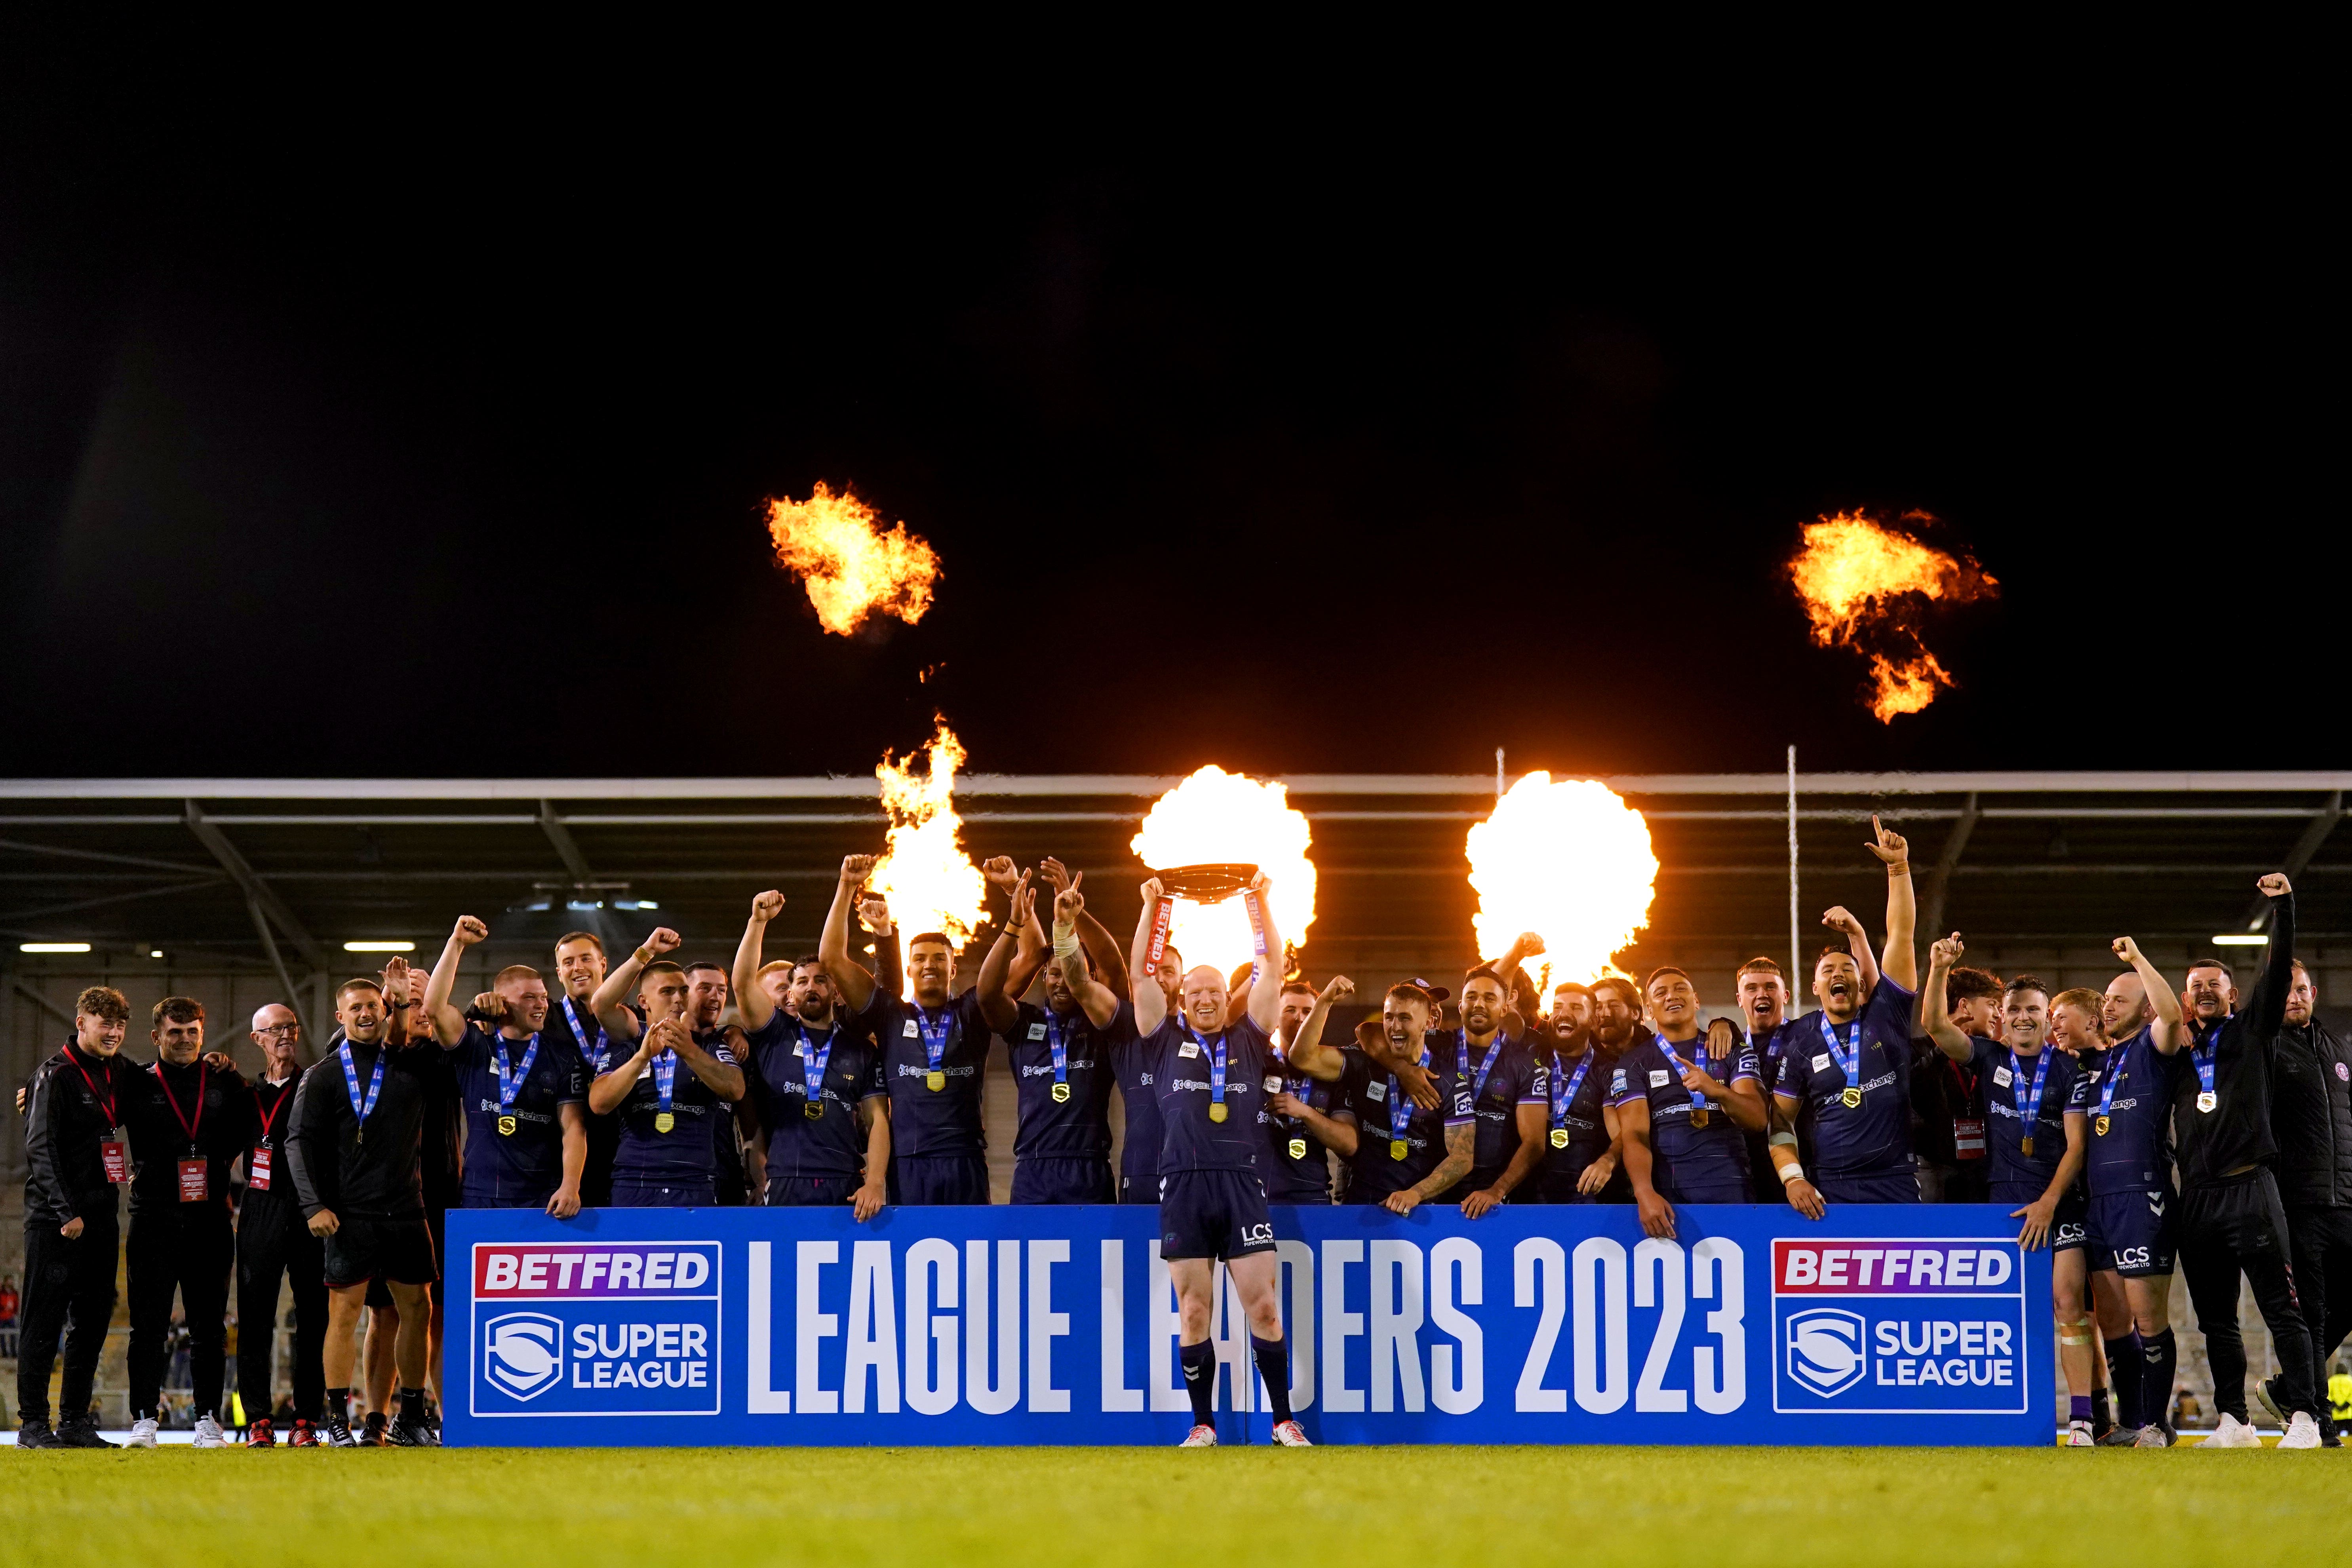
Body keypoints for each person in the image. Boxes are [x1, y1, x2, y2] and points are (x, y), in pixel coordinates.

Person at [1125, 873, 1317, 1446]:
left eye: (1214, 992)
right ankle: (1203, 1425)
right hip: (1182, 1185)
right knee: (1194, 1313)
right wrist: (1155, 910)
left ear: (1223, 998)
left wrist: (1257, 904)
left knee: (1264, 1308)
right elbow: (1140, 974)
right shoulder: (1160, 1039)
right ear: (1182, 999)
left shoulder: (1250, 1038)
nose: (1206, 999)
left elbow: (1274, 968)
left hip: (1241, 1184)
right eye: (1196, 993)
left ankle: (1282, 1420)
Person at [2172, 876, 2323, 1448]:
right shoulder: (2179, 1050)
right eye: (2196, 987)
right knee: (2216, 1321)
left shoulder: (2253, 1031)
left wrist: (2283, 906)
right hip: (2200, 1199)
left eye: (2215, 985)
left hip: (2251, 1190)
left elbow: (2279, 967)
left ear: (2233, 996)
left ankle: (2305, 1418)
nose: (2205, 992)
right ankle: (2233, 1421)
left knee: (2284, 1311)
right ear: (2187, 998)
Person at [1922, 945, 2094, 1441]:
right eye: (2015, 1009)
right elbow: (1935, 1023)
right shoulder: (1989, 1056)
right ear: (2004, 1017)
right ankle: (2000, 1413)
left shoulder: (2067, 1071)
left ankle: (2081, 1418)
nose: (2023, 1018)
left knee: (2067, 1303)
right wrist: (1939, 968)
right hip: (2001, 1203)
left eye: (2033, 1010)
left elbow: (2078, 1145)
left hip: (2058, 1203)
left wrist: (2049, 1202)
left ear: (2047, 1018)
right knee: (2004, 1312)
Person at [284, 972, 443, 1446]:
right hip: (350, 1214)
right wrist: (314, 1205)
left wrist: (409, 997)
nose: (365, 1013)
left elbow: (438, 1031)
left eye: (373, 1005)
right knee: (345, 1315)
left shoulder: (413, 1066)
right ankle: (337, 1418)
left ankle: (410, 1413)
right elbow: (298, 1143)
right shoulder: (325, 1074)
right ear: (341, 1016)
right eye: (355, 1008)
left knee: (418, 1308)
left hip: (406, 1210)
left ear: (386, 1009)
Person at [2069, 942, 2191, 1446]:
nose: (2108, 1007)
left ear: (2144, 1007)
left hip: (2142, 1197)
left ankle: (2159, 1424)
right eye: (2107, 1000)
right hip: (2099, 1203)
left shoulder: (2155, 1047)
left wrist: (2139, 962)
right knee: (2115, 1321)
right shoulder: (2097, 1063)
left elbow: (2169, 1013)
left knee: (2148, 1317)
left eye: (2120, 999)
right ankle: (2130, 1421)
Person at [820, 854, 993, 1204]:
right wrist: (847, 885)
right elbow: (832, 958)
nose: (929, 964)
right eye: (920, 959)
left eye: (940, 958)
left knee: (972, 1255)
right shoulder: (889, 1014)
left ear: (954, 969)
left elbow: (1016, 968)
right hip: (909, 1162)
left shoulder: (973, 1011)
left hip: (966, 1159)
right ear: (909, 970)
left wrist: (1016, 911)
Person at [1766, 818, 1921, 1210]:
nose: (1838, 974)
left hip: (1895, 1182)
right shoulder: (1800, 1038)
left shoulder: (1888, 1014)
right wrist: (1793, 1180)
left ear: (1862, 984)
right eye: (1827, 972)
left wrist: (1898, 869)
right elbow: (1780, 1122)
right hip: (1830, 1189)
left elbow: (1901, 934)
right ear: (1815, 988)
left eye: (1848, 969)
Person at [122, 997, 249, 1449]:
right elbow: (90, 1112)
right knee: (147, 1326)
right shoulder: (135, 1082)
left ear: (203, 1032)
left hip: (210, 1218)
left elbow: (254, 1129)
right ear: (157, 1036)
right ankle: (143, 1420)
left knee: (209, 1327)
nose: (184, 1040)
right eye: (175, 1032)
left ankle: (208, 1420)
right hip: (152, 1217)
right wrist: (34, 1095)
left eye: (193, 1031)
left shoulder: (223, 1080)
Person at [16, 986, 139, 1448]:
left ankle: (74, 1422)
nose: (113, 1032)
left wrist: (213, 1065)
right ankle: (32, 1425)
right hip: (56, 1221)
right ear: (82, 1021)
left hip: (102, 1218)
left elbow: (156, 1083)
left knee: (91, 1323)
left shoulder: (119, 1072)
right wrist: (64, 1210)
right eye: (104, 1023)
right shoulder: (55, 1075)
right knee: (42, 1323)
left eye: (120, 1025)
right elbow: (40, 1148)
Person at [731, 890, 890, 1214]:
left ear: (835, 989)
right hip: (786, 1178)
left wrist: (874, 1182)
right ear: (791, 993)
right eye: (802, 982)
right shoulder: (775, 1034)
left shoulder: (861, 1049)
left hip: (845, 1180)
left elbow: (878, 1120)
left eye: (820, 980)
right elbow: (743, 983)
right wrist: (758, 922)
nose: (811, 987)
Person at [419, 917, 589, 1213]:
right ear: (503, 1002)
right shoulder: (475, 1044)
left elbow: (573, 1128)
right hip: (481, 1192)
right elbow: (434, 1008)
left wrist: (571, 1185)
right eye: (529, 998)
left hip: (542, 1196)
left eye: (544, 997)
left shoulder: (561, 1057)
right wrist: (457, 944)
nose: (541, 1005)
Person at [977, 874, 1125, 1204]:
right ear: (1043, 976)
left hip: (1089, 1168)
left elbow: (1114, 967)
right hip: (1034, 1169)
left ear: (1087, 976)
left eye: (1069, 973)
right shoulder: (1023, 1022)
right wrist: (1014, 924)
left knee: (1094, 1257)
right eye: (1053, 973)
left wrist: (1075, 916)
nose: (1062, 983)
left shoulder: (1101, 1024)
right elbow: (986, 995)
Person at [587, 937, 746, 1206]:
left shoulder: (709, 1046)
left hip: (695, 1181)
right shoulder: (628, 1047)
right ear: (644, 1002)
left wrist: (690, 1052)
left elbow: (736, 1089)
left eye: (684, 991)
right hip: (635, 1180)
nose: (678, 999)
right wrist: (642, 1058)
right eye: (667, 992)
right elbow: (599, 1103)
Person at [234, 1002, 327, 1447]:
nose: (285, 1036)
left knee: (313, 1319)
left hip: (310, 1210)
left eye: (290, 1027)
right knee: (255, 1320)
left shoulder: (317, 1084)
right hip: (260, 1209)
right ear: (257, 1039)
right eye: (274, 1030)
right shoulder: (243, 1096)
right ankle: (258, 1420)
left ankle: (308, 1419)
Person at [1614, 968, 1764, 1239]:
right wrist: (1644, 1192)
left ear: (1696, 1000)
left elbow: (1757, 1119)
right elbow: (1635, 1135)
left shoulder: (1732, 1049)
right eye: (1661, 993)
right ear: (1649, 1010)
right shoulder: (1633, 1063)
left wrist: (1716, 1091)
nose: (1672, 996)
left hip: (1731, 1190)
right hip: (1669, 1197)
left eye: (1680, 989)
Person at [2271, 958, 2352, 1446]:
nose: (2293, 998)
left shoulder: (2336, 1048)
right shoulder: (2265, 1048)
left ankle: (2286, 1389)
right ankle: (2316, 1415)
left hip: (2344, 1199)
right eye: (2283, 992)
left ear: (2314, 992)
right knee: (2314, 1314)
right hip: (2297, 1202)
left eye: (2300, 990)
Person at [1339, 981, 1467, 1215]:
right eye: (1391, 1017)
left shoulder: (1449, 1064)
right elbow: (1365, 1030)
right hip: (1362, 1202)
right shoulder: (1372, 1058)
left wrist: (1416, 1193)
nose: (1396, 1025)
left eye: (1406, 1018)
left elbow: (1463, 1157)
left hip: (1422, 1209)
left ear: (1427, 1022)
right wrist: (1402, 1069)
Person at [1450, 948, 1550, 1217]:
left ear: (1506, 1004)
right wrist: (1402, 1068)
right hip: (1436, 1194)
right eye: (1471, 996)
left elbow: (1534, 1143)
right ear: (1461, 1004)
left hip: (1499, 1198)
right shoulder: (1437, 1048)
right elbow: (1370, 1034)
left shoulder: (1530, 1055)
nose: (1480, 1003)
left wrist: (1497, 1190)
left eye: (1490, 997)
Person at [1262, 978, 1364, 1204]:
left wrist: (1306, 1113)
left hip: (1312, 1197)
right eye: (1290, 1010)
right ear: (1275, 1018)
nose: (1299, 1017)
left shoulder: (1332, 1072)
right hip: (1258, 1198)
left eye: (1308, 1011)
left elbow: (1349, 1144)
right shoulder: (1258, 1064)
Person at [1914, 964, 2001, 1203]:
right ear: (1964, 1006)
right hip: (1935, 1176)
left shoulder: (1992, 1056)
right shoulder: (1918, 1050)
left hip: (1981, 1174)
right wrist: (1943, 1050)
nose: (1998, 1015)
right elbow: (1920, 1094)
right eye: (1992, 1005)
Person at [1532, 981, 1624, 1204]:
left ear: (1593, 1021)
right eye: (1557, 1007)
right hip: (1531, 1195)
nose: (1564, 1014)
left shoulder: (1607, 1071)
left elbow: (1622, 1134)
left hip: (1586, 1194)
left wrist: (1608, 1161)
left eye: (1575, 1008)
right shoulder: (1531, 1056)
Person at [546, 929, 619, 1207]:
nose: (577, 967)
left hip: (621, 1158)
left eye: (586, 959)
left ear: (603, 964)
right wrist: (482, 1009)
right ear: (559, 972)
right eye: (568, 962)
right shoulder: (545, 1018)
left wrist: (732, 1030)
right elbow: (507, 1014)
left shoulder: (628, 1019)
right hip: (558, 1159)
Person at [1731, 959, 1808, 1203]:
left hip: (1802, 1165)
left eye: (1770, 987)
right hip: (1749, 1171)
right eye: (1752, 988)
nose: (1761, 994)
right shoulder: (1730, 1050)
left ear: (1785, 996)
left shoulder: (1807, 1037)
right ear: (1740, 999)